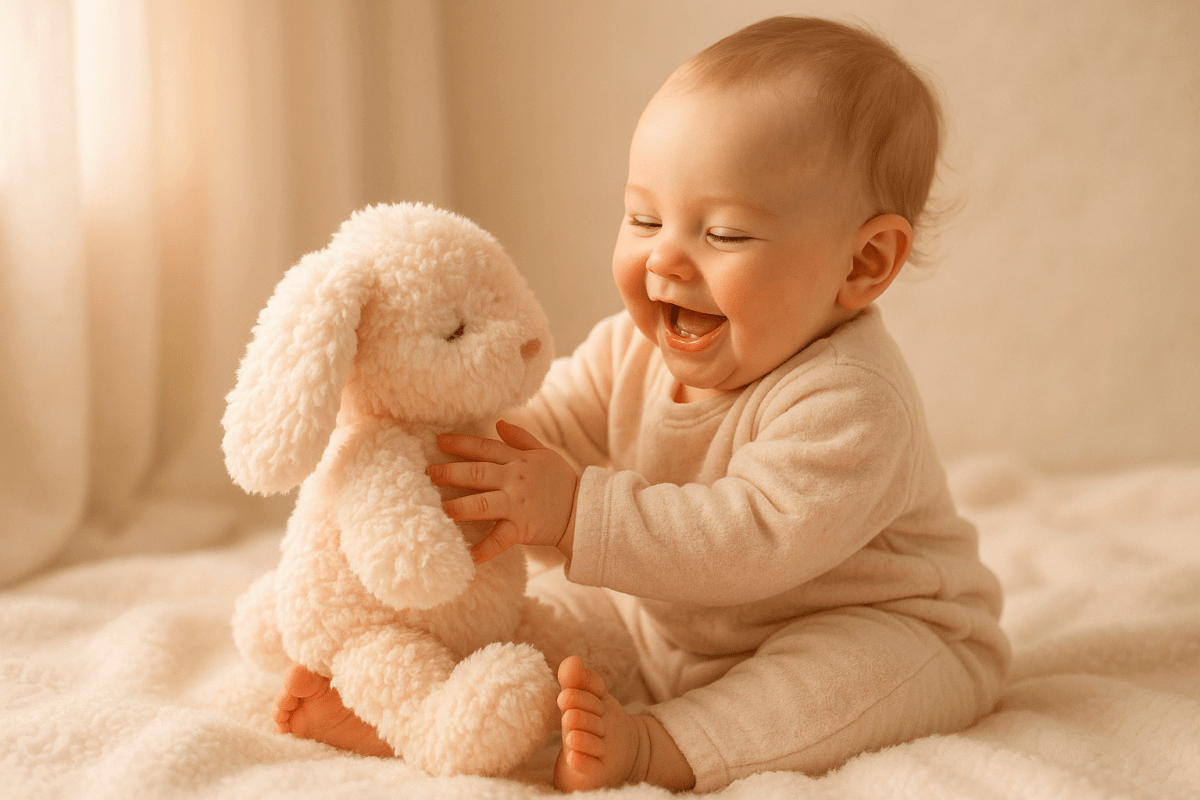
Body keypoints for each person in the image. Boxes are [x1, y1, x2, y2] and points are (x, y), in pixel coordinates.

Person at [272, 15, 1010, 793]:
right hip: (667, 628)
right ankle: (417, 710)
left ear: (863, 263)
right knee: (542, 627)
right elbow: (546, 428)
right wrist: (447, 456)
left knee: (835, 682)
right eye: (645, 218)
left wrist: (567, 513)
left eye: (723, 233)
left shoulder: (853, 399)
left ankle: (660, 746)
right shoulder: (631, 350)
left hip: (882, 629)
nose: (663, 256)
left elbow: (751, 539)